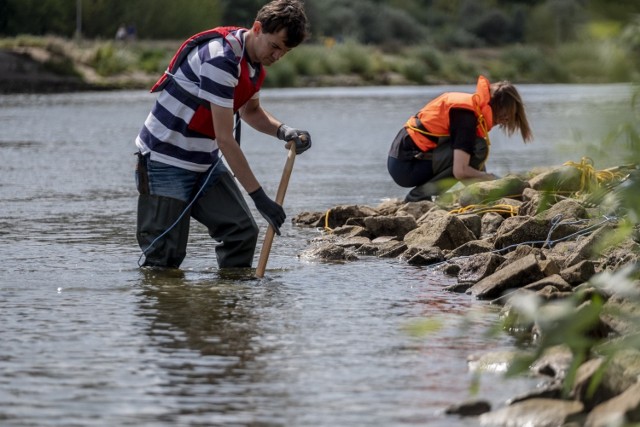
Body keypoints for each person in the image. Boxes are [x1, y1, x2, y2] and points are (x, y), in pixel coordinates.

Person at [134, 0, 311, 269]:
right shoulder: (221, 59)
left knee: (241, 232)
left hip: (203, 161)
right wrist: (261, 199)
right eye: (274, 47)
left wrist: (283, 131)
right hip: (164, 160)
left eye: (284, 52)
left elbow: (251, 112)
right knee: (164, 257)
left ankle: (229, 303)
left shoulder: (253, 64)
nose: (276, 57)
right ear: (257, 28)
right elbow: (226, 139)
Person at [387, 75, 532, 202]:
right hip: (406, 166)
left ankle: (427, 196)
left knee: (476, 149)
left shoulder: (473, 109)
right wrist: (492, 179)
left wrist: (488, 187)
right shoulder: (465, 117)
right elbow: (460, 171)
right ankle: (418, 197)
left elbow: (474, 164)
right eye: (504, 117)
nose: (503, 122)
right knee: (479, 147)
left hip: (405, 160)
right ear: (496, 107)